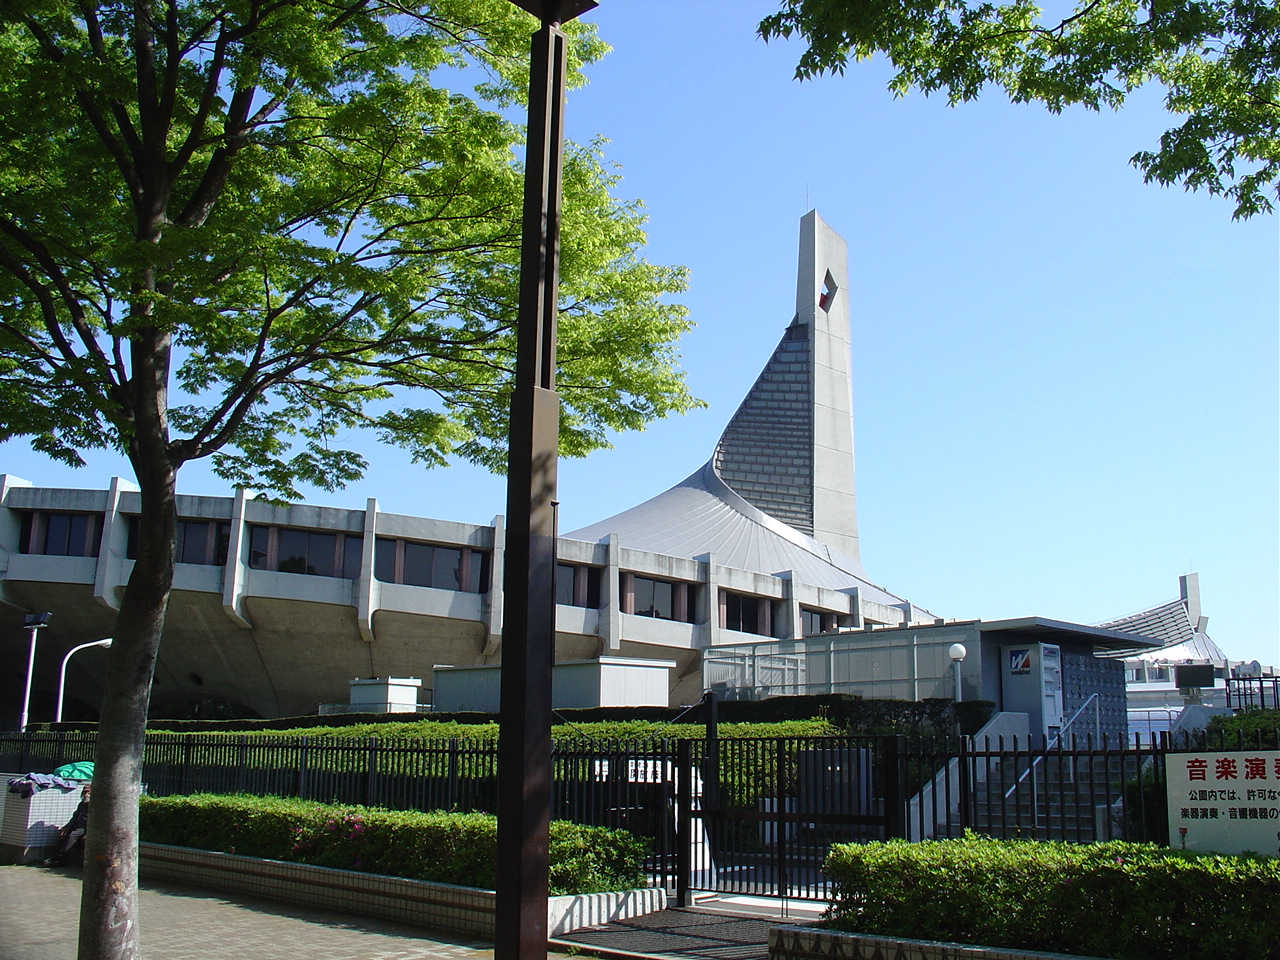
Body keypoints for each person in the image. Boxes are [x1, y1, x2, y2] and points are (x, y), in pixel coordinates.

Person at [43, 784, 90, 867]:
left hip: (85, 828)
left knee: (72, 836)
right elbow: (74, 817)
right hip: (77, 826)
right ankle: (59, 858)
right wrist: (66, 828)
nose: (85, 795)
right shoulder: (81, 805)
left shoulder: (93, 806)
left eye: (88, 793)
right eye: (84, 792)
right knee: (63, 835)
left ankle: (59, 856)